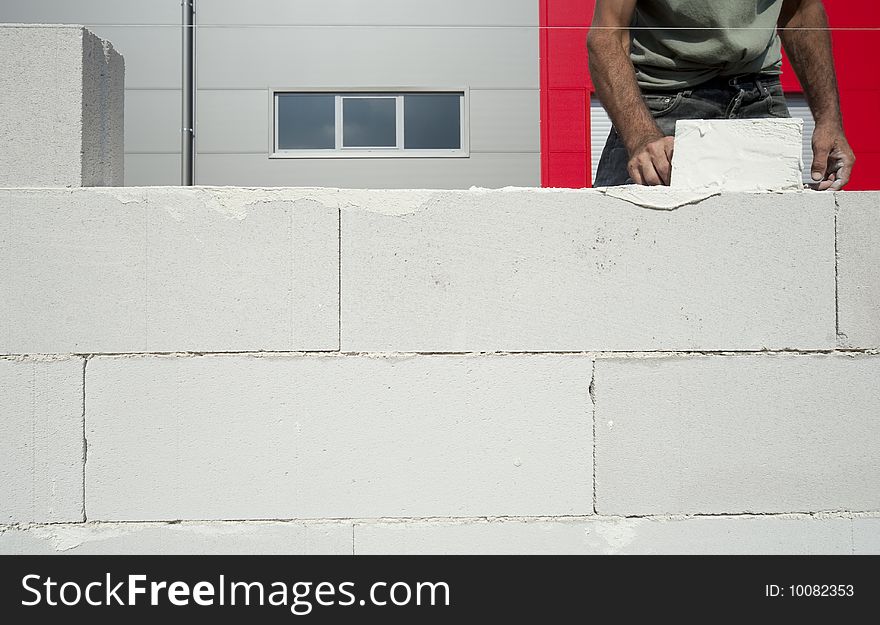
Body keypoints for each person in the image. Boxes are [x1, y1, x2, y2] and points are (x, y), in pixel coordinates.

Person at [587, 0, 855, 189]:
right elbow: (607, 35)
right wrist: (640, 136)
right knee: (622, 244)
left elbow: (801, 10)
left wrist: (829, 120)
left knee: (777, 248)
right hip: (664, 102)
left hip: (758, 95)